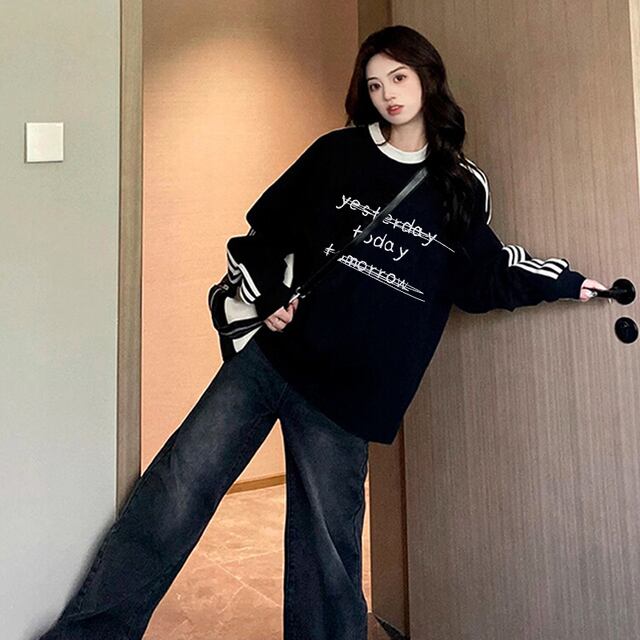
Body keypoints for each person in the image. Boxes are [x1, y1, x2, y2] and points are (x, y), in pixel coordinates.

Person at [37, 24, 607, 640]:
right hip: (272, 361)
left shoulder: (461, 185)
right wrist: (270, 294)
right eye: (375, 84)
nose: (389, 94)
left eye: (399, 78)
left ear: (427, 78)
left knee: (327, 556)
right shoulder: (338, 154)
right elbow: (264, 233)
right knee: (172, 493)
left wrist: (565, 281)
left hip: (349, 396)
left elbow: (482, 278)